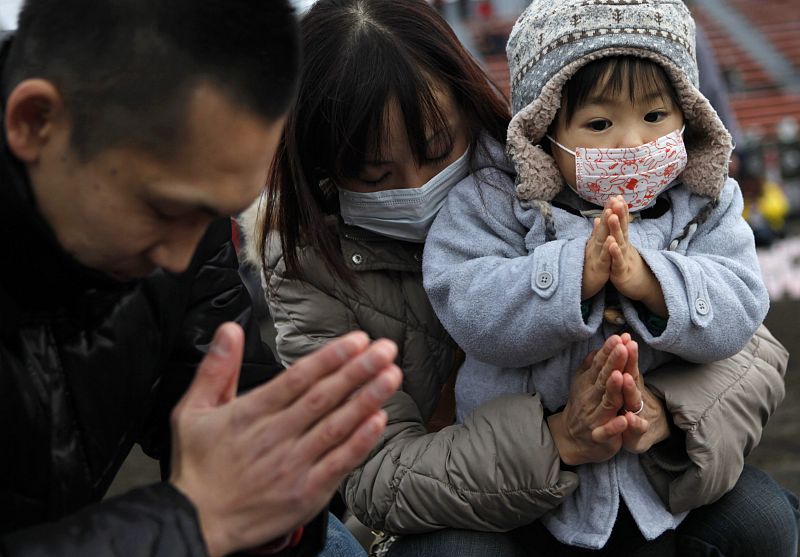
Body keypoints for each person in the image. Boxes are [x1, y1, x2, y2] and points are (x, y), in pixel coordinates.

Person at [244, 0, 796, 555]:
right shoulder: (306, 265)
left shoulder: (558, 170)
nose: (418, 186)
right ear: (322, 170)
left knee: (765, 521)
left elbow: (751, 344)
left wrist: (664, 412)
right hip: (474, 500)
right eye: (374, 174)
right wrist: (559, 438)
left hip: (642, 468)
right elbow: (375, 474)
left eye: (437, 150)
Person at [0, 1, 402, 556]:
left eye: (216, 213)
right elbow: (204, 510)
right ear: (35, 121)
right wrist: (191, 519)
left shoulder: (183, 215)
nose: (179, 258)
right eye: (164, 210)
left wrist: (276, 501)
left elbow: (232, 429)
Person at [423, 0, 798, 554]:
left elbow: (742, 303)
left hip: (661, 477)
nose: (632, 143)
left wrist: (650, 281)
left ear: (687, 115)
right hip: (532, 490)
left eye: (654, 116)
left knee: (769, 520)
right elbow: (465, 301)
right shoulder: (492, 202)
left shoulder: (705, 200)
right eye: (599, 123)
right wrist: (575, 276)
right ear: (543, 130)